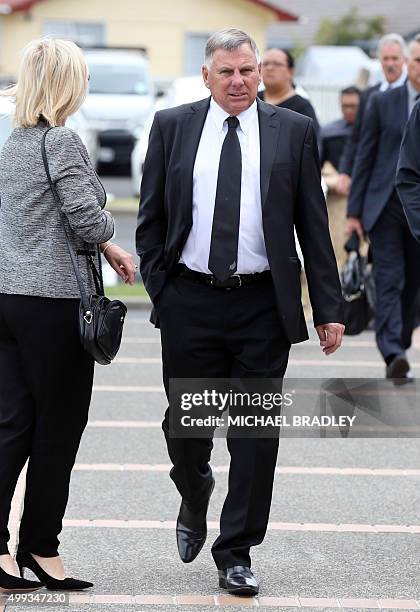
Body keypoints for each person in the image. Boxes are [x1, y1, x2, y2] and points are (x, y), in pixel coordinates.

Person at [136, 28, 344, 596]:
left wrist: (329, 306)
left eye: (248, 70)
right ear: (206, 76)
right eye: (227, 72)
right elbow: (151, 217)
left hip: (260, 305)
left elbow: (312, 224)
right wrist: (163, 289)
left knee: (254, 436)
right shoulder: (173, 126)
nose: (240, 82)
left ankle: (236, 551)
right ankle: (194, 484)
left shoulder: (294, 132)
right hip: (190, 301)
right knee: (188, 427)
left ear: (262, 72)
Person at [0, 38, 136, 592]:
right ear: (66, 84)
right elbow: (83, 215)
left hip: (9, 299)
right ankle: (40, 547)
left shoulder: (14, 142)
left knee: (11, 426)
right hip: (55, 306)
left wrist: (109, 251)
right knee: (58, 430)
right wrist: (107, 233)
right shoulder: (61, 139)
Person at [346, 34, 420, 383]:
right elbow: (365, 155)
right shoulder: (381, 102)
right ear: (408, 63)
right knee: (390, 278)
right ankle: (393, 350)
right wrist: (354, 212)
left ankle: (401, 337)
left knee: (413, 285)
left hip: (416, 210)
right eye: (415, 61)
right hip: (386, 205)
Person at [337, 33, 408, 196]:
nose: (390, 64)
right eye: (386, 59)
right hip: (375, 178)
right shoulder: (369, 95)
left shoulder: (412, 93)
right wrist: (345, 171)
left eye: (395, 59)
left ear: (404, 60)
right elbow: (357, 136)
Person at [321, 86, 361, 268]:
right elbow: (318, 166)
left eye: (353, 106)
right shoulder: (330, 133)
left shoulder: (371, 132)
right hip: (337, 198)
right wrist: (332, 180)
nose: (349, 110)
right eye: (345, 106)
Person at [258, 47, 320, 137]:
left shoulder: (302, 107)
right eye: (265, 64)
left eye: (277, 64)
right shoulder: (253, 100)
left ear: (291, 72)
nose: (269, 68)